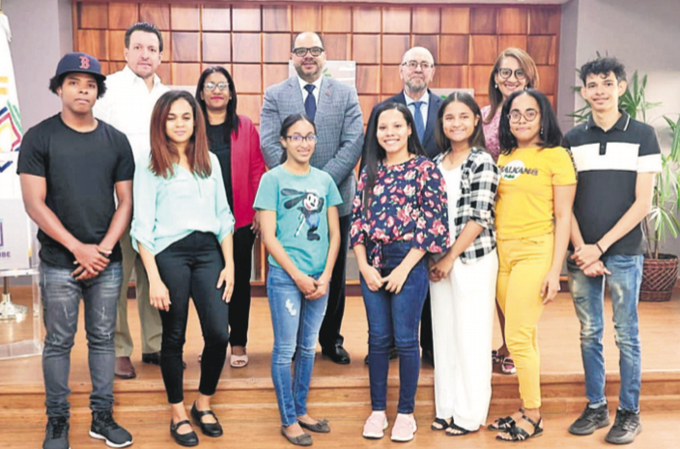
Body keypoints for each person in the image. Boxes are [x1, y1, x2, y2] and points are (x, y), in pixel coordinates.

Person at [18, 52, 134, 449]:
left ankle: (102, 417)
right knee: (58, 342)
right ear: (59, 89)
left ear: (98, 92)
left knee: (103, 339)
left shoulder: (116, 140)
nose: (82, 90)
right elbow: (34, 203)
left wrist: (102, 249)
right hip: (58, 262)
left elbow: (126, 202)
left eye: (90, 84)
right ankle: (57, 421)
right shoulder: (39, 137)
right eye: (73, 83)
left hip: (106, 261)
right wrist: (77, 248)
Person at [564, 57, 661, 445]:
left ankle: (629, 412)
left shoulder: (643, 135)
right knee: (589, 333)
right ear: (584, 91)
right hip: (581, 253)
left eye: (607, 83)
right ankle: (596, 406)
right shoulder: (572, 139)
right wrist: (581, 249)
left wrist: (600, 247)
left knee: (626, 334)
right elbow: (564, 203)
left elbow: (643, 204)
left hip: (623, 251)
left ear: (621, 87)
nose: (599, 90)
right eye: (592, 84)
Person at [131, 90, 235, 447]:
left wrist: (230, 265)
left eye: (186, 117)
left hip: (209, 252)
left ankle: (203, 403)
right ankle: (177, 412)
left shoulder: (209, 160)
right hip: (169, 254)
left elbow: (224, 216)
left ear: (195, 121)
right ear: (161, 122)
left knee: (219, 333)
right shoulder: (150, 163)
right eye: (171, 117)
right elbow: (141, 226)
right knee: (173, 336)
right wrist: (154, 279)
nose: (179, 124)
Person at [260, 31, 364, 365]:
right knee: (291, 267)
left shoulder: (345, 93)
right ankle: (292, 341)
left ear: (324, 56)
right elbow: (269, 143)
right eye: (301, 50)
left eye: (315, 50)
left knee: (332, 272)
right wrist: (298, 182)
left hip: (336, 199)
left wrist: (319, 185)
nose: (308, 55)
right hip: (289, 203)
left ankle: (330, 338)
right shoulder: (275, 94)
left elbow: (353, 143)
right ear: (292, 56)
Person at [351, 103, 450, 443]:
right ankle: (378, 411)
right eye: (383, 127)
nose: (389, 133)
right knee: (378, 339)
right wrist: (363, 266)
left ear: (409, 129)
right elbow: (357, 222)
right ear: (375, 133)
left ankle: (406, 414)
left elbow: (433, 223)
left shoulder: (425, 169)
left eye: (397, 126)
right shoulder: (369, 171)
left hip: (409, 259)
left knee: (407, 339)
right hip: (373, 261)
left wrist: (405, 269)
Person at [489, 89, 576, 442]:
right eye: (515, 113)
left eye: (530, 113)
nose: (521, 119)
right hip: (502, 254)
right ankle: (525, 408)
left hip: (535, 251)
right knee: (525, 334)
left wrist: (556, 271)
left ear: (543, 118)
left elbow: (564, 215)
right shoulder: (505, 155)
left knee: (516, 337)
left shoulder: (557, 156)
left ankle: (534, 415)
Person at [254, 114, 342, 446]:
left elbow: (335, 235)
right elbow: (269, 236)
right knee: (285, 349)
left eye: (309, 136)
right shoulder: (272, 180)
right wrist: (298, 276)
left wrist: (327, 275)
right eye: (296, 137)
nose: (304, 143)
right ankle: (288, 419)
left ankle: (301, 409)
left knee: (308, 347)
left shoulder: (325, 180)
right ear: (283, 141)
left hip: (320, 278)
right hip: (286, 277)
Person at [93, 21, 170, 380]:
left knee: (155, 274)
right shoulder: (108, 90)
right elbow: (94, 143)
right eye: (138, 47)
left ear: (160, 55)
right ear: (125, 51)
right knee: (116, 277)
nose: (145, 55)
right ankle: (119, 349)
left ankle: (155, 343)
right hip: (118, 201)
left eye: (152, 49)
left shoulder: (168, 96)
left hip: (159, 203)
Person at [362, 46, 443, 366]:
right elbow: (370, 158)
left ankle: (430, 346)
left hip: (431, 210)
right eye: (411, 64)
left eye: (424, 64)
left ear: (432, 71)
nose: (418, 69)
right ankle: (391, 344)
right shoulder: (384, 109)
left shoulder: (445, 109)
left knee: (428, 283)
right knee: (387, 297)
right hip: (390, 218)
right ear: (401, 70)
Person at [428, 92, 500, 436]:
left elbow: (480, 216)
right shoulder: (436, 162)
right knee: (444, 336)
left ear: (475, 121)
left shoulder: (482, 161)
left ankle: (469, 414)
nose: (456, 123)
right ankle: (446, 408)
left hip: (472, 259)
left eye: (463, 116)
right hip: (438, 262)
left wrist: (449, 257)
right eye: (449, 117)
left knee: (471, 336)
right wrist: (437, 258)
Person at [195, 66, 266, 368]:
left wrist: (259, 209)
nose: (216, 90)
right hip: (201, 220)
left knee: (238, 282)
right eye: (210, 85)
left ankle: (238, 341)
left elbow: (257, 169)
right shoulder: (192, 128)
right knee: (207, 284)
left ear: (231, 93)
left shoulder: (245, 126)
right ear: (201, 93)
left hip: (240, 220)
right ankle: (213, 341)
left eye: (222, 85)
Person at [481, 48, 539, 376]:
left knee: (520, 286)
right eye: (505, 72)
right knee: (498, 282)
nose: (511, 79)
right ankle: (505, 343)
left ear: (529, 77)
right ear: (495, 78)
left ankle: (515, 346)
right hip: (488, 210)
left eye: (519, 73)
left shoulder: (537, 115)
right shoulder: (484, 115)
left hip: (524, 211)